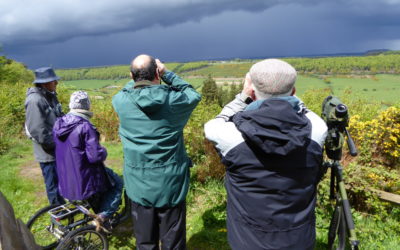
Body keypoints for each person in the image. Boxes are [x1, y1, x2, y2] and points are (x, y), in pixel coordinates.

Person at [204, 59, 328, 250]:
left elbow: (216, 122)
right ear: (294, 92)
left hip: (247, 240)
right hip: (298, 238)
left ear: (252, 92)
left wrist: (242, 97)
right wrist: (287, 92)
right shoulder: (317, 130)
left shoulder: (230, 136)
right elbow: (306, 111)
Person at [112, 54, 201, 249]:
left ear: (131, 76)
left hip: (138, 185)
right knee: (173, 242)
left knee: (145, 242)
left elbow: (127, 88)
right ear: (157, 73)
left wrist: (138, 77)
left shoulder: (120, 101)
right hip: (171, 185)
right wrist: (167, 74)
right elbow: (193, 94)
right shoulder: (173, 101)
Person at [53, 91, 123, 227]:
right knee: (118, 183)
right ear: (87, 106)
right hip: (84, 178)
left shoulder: (58, 124)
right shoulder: (85, 126)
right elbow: (95, 156)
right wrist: (104, 150)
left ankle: (98, 212)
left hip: (65, 176)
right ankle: (102, 217)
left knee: (107, 181)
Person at [25, 67, 65, 206]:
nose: (56, 83)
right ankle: (58, 213)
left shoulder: (50, 95)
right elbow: (37, 130)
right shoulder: (35, 100)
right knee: (52, 184)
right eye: (54, 80)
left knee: (59, 181)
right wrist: (56, 145)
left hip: (56, 149)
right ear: (44, 83)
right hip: (47, 153)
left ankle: (62, 207)